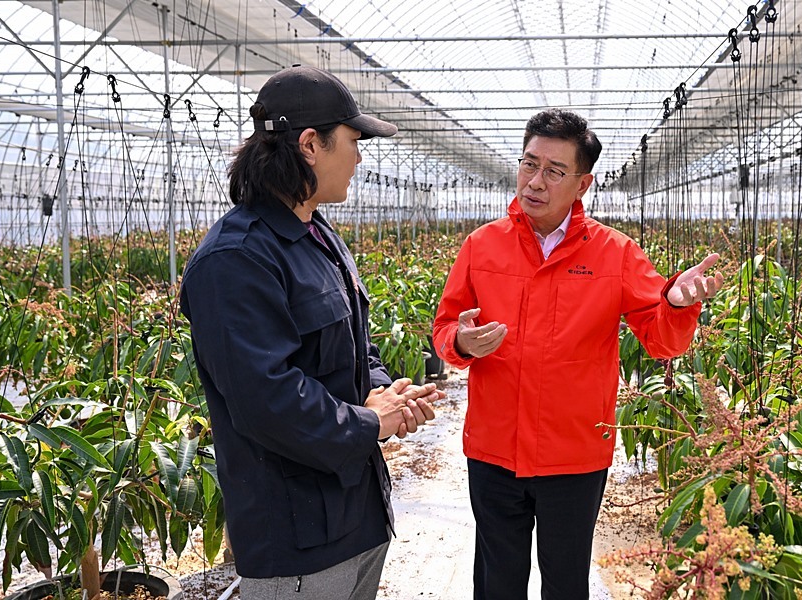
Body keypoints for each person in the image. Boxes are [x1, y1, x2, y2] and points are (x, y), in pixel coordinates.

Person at [432, 108, 724, 600]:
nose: (535, 181)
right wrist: (460, 342)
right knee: (495, 581)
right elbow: (446, 327)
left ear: (582, 184)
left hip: (574, 455)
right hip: (493, 449)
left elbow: (661, 340)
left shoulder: (614, 253)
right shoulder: (482, 247)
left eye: (554, 171)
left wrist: (675, 303)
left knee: (566, 581)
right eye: (529, 164)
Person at [180, 65, 441, 600]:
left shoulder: (317, 233)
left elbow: (355, 343)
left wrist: (381, 390)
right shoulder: (236, 259)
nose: (360, 157)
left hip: (357, 512)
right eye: (353, 141)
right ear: (309, 145)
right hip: (296, 541)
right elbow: (268, 400)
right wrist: (370, 423)